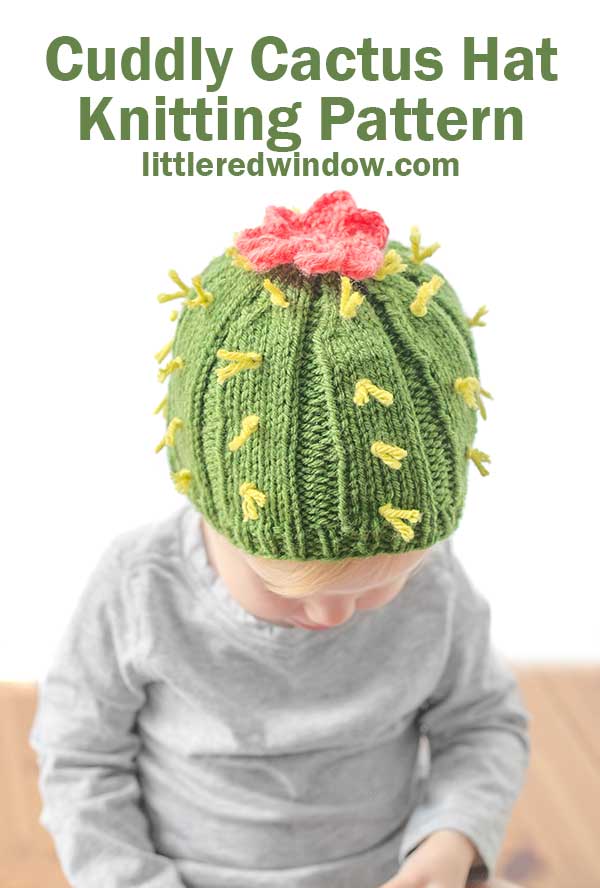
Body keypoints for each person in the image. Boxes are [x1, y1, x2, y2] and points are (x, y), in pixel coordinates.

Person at [29, 191, 530, 888]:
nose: (332, 619)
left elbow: (483, 724)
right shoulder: (141, 586)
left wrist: (449, 845)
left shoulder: (436, 581)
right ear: (207, 498)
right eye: (279, 582)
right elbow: (80, 757)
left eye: (380, 584)